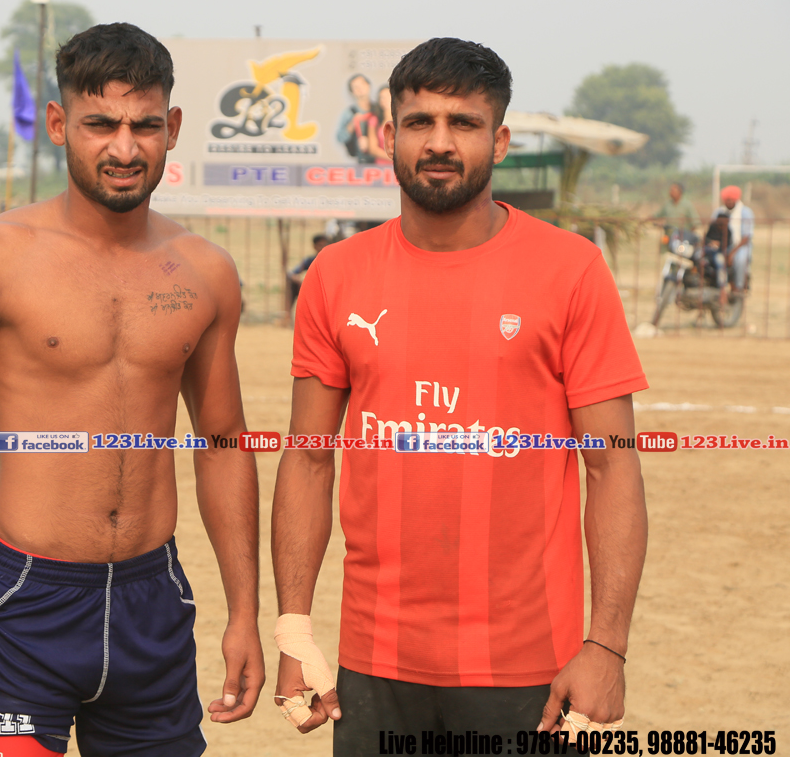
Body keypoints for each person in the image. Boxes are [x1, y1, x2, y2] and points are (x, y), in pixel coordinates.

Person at [0, 22, 263, 757]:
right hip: (25, 602)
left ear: (172, 128)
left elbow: (223, 444)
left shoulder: (205, 272)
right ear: (59, 124)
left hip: (155, 600)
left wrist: (245, 612)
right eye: (100, 125)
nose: (125, 148)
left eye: (144, 126)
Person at [270, 37, 649, 753]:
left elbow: (612, 465)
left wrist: (607, 645)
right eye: (420, 122)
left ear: (498, 140)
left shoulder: (571, 270)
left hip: (528, 667)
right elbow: (309, 458)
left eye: (464, 124)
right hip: (374, 665)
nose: (439, 143)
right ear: (389, 135)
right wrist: (294, 629)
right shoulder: (336, 275)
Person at [712, 185, 753, 294]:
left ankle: (738, 288)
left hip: (740, 246)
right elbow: (712, 229)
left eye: (731, 200)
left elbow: (746, 237)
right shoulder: (719, 212)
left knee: (740, 260)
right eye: (726, 200)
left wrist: (732, 253)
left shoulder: (745, 212)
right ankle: (717, 286)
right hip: (722, 245)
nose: (729, 202)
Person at [336, 74, 377, 164]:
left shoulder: (379, 109)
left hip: (381, 160)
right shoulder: (349, 113)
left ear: (368, 85)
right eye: (356, 87)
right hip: (359, 162)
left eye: (362, 84)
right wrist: (352, 124)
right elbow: (340, 138)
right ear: (352, 92)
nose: (360, 89)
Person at [287, 234, 328, 306]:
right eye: (320, 245)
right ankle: (288, 310)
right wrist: (299, 281)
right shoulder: (310, 260)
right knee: (293, 285)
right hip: (314, 289)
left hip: (327, 289)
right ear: (314, 246)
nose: (323, 248)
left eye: (325, 245)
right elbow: (293, 273)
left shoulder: (331, 260)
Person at [702, 211, 731, 308]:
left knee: (720, 263)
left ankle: (722, 288)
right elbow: (705, 239)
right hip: (708, 250)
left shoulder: (728, 231)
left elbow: (727, 244)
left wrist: (718, 244)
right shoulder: (712, 227)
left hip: (719, 252)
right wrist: (711, 242)